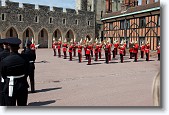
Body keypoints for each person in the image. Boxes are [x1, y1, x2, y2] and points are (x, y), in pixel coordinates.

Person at [0, 37, 29, 106]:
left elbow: (3, 74)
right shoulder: (24, 58)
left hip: (10, 85)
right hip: (22, 84)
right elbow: (27, 71)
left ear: (9, 47)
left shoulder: (5, 61)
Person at [0, 39, 10, 106]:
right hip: (11, 76)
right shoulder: (10, 54)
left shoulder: (1, 54)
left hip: (2, 75)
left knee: (2, 91)